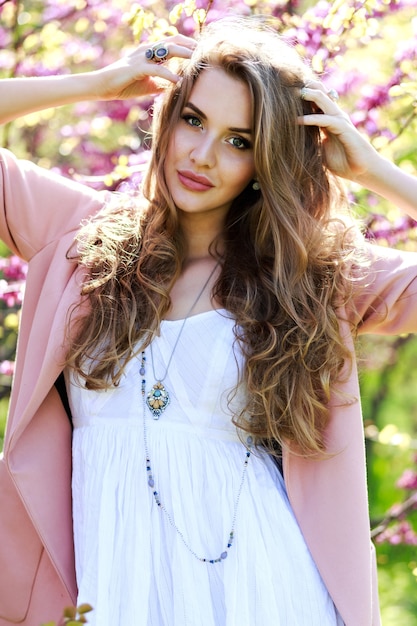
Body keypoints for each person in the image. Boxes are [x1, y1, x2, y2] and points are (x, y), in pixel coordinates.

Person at [0, 15, 416, 626]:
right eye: (192, 120)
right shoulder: (78, 238)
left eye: (239, 140)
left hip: (265, 591)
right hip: (109, 588)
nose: (202, 155)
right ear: (167, 118)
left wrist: (376, 171)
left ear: (265, 160)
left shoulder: (312, 274)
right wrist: (100, 83)